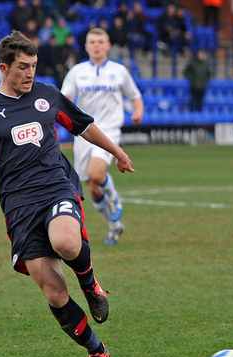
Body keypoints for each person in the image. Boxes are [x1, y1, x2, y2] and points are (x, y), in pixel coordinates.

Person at [0, 31, 135, 357]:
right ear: (4, 68)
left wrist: (117, 152)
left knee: (66, 242)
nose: (30, 73)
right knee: (54, 291)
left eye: (34, 66)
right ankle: (97, 353)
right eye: (23, 67)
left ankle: (90, 285)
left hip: (56, 186)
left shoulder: (46, 95)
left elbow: (83, 126)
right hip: (19, 206)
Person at [61, 27, 143, 246]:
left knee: (96, 174)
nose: (96, 45)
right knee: (92, 186)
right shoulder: (77, 72)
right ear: (86, 46)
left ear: (108, 45)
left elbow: (135, 96)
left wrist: (138, 111)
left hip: (109, 130)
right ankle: (114, 225)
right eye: (92, 42)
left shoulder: (119, 71)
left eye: (100, 41)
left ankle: (115, 201)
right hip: (83, 132)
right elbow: (64, 100)